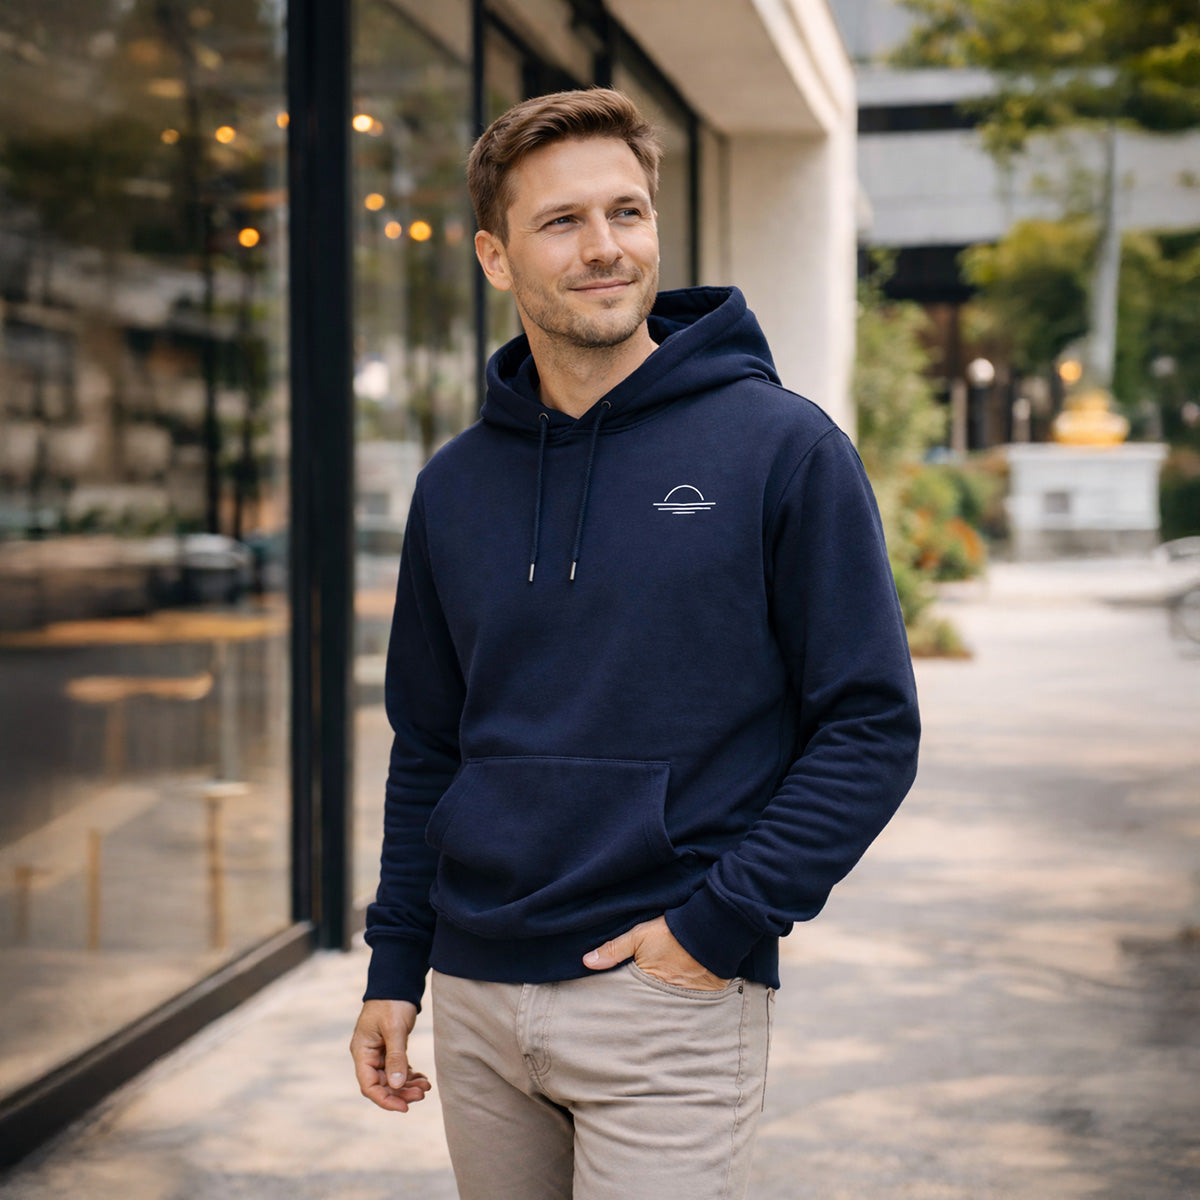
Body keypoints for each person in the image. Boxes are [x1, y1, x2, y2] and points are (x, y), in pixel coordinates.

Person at [350, 87, 920, 1199]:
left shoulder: (781, 448)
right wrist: (396, 965)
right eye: (562, 222)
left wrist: (716, 928)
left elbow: (868, 727)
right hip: (474, 991)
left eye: (628, 212)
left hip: (665, 999)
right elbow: (428, 745)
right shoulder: (455, 488)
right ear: (495, 257)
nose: (607, 248)